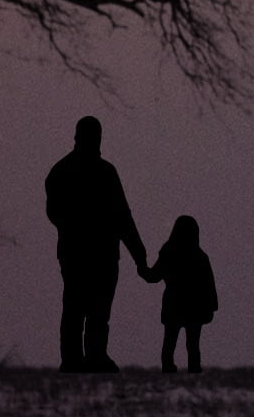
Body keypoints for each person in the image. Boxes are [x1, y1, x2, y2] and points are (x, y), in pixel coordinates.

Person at [42, 116, 139, 372]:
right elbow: (122, 217)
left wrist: (139, 255)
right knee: (90, 308)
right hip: (96, 254)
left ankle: (81, 358)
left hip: (81, 253)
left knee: (82, 308)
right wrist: (139, 256)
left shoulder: (61, 171)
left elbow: (55, 213)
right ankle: (87, 357)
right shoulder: (103, 172)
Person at [152, 214, 217, 372]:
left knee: (170, 340)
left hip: (173, 303)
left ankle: (168, 368)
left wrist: (142, 270)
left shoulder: (168, 251)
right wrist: (211, 306)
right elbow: (209, 284)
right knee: (192, 343)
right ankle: (193, 369)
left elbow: (154, 276)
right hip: (194, 306)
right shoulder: (200, 256)